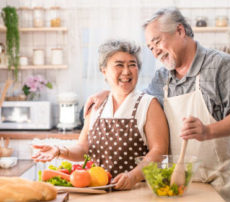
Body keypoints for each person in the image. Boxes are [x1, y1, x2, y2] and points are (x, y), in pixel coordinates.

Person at [84, 8, 230, 202]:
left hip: (226, 178)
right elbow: (137, 100)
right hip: (182, 182)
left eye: (157, 41)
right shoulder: (162, 77)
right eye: (150, 47)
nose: (155, 50)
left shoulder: (223, 65)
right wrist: (110, 92)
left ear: (180, 31)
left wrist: (207, 131)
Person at [32, 40, 169, 190]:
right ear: (104, 71)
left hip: (137, 190)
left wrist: (133, 176)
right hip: (97, 191)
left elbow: (159, 151)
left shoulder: (148, 104)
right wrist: (59, 151)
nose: (126, 71)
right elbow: (83, 149)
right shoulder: (97, 105)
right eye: (119, 65)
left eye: (132, 65)